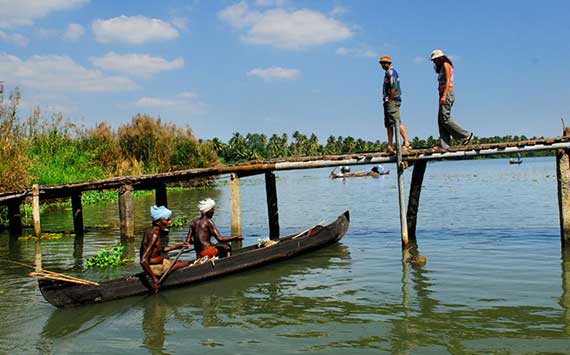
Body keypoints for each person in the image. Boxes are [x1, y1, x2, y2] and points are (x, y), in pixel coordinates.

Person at [140, 205, 190, 293]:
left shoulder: (150, 230)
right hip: (156, 268)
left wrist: (179, 246)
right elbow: (143, 260)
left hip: (160, 262)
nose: (170, 222)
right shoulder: (154, 235)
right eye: (167, 220)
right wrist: (154, 279)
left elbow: (159, 250)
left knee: (177, 261)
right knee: (186, 263)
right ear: (159, 222)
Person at [430, 49, 473, 150]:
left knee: (445, 117)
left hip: (447, 93)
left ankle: (465, 135)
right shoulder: (441, 67)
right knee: (440, 119)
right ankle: (445, 145)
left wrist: (444, 95)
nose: (434, 62)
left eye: (435, 59)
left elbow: (448, 80)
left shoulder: (446, 64)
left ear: (440, 58)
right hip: (442, 94)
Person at [379, 55, 411, 155]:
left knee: (396, 121)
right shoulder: (387, 73)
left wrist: (390, 99)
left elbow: (394, 87)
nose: (383, 65)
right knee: (389, 124)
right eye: (381, 63)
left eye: (384, 63)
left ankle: (406, 142)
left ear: (388, 63)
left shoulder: (392, 73)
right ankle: (390, 145)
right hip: (387, 101)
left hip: (392, 100)